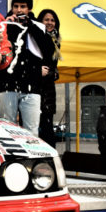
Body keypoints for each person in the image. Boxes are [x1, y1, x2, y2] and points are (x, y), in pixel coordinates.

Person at [0, 0, 54, 135]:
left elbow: (48, 50)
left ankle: (31, 157)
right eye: (16, 6)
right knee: (8, 128)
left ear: (29, 9)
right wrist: (8, 25)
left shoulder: (38, 26)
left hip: (32, 86)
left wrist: (29, 25)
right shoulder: (4, 24)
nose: (19, 10)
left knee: (31, 130)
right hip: (8, 84)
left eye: (23, 6)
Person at [36, 9, 61, 146]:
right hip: (36, 87)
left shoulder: (56, 40)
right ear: (40, 21)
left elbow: (52, 64)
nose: (50, 23)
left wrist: (54, 72)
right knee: (34, 125)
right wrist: (36, 69)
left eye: (52, 20)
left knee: (47, 125)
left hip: (48, 88)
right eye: (46, 20)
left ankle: (50, 158)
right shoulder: (36, 37)